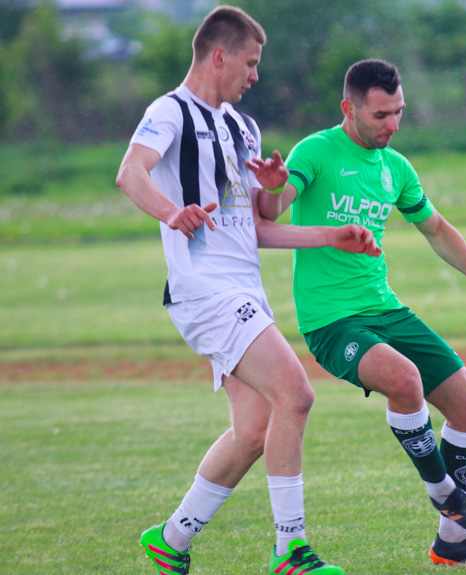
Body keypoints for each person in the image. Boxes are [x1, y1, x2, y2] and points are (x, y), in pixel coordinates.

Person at [115, 8, 381, 575]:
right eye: (251, 62)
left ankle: (171, 539)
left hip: (243, 291)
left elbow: (257, 226)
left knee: (255, 431)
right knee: (297, 394)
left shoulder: (244, 128)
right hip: (204, 291)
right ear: (219, 55)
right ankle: (291, 549)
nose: (255, 74)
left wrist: (321, 227)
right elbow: (130, 173)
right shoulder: (170, 112)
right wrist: (173, 211)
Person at [251, 58, 466, 566]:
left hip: (385, 309)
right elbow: (269, 213)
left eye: (398, 112)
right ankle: (443, 491)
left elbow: (435, 228)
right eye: (380, 115)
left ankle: (454, 541)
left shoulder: (396, 168)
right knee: (404, 379)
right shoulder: (316, 151)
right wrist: (269, 184)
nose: (393, 125)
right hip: (333, 321)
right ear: (348, 109)